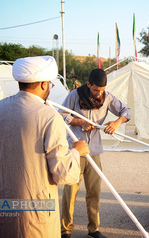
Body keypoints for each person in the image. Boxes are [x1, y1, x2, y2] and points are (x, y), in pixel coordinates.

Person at [0, 56, 90, 238]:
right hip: (34, 212)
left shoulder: (0, 108)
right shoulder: (49, 116)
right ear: (44, 84)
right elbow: (63, 173)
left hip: (3, 203)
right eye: (50, 85)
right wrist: (77, 151)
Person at [60, 69, 131, 238]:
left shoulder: (107, 97)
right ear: (88, 84)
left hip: (94, 152)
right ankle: (66, 230)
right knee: (70, 193)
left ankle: (93, 229)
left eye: (102, 90)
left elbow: (126, 111)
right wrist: (79, 122)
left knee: (94, 193)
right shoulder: (74, 96)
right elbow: (61, 114)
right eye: (95, 90)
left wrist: (117, 122)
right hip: (75, 151)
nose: (99, 94)